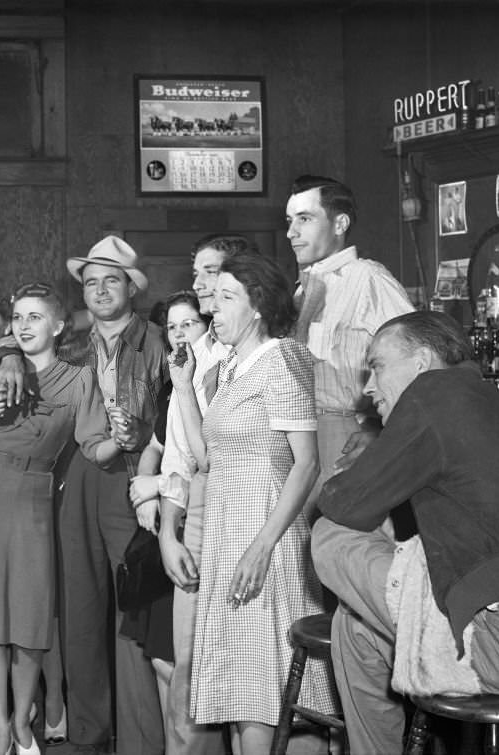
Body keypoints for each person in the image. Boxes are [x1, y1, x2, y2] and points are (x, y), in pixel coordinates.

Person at [311, 311, 499, 755]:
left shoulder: (431, 393)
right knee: (353, 626)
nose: (368, 387)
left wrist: (380, 448)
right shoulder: (488, 396)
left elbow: (341, 503)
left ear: (421, 362)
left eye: (377, 367)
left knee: (330, 535)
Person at [0, 282, 120, 755]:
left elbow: (93, 446)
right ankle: (0, 729)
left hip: (33, 500)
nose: (23, 325)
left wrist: (124, 439)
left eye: (34, 317)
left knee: (31, 625)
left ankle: (22, 721)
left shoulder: (79, 380)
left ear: (57, 326)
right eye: (18, 317)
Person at [170, 250, 332, 755]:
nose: (212, 308)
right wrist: (183, 388)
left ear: (258, 305)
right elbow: (207, 459)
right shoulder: (230, 368)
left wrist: (262, 546)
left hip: (267, 537)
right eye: (213, 298)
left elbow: (307, 464)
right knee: (241, 686)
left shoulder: (282, 358)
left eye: (226, 297)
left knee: (268, 682)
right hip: (227, 534)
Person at [59, 235, 167, 755]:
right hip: (79, 477)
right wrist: (9, 354)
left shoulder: (159, 342)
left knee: (133, 607)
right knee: (81, 607)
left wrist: (144, 442)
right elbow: (18, 340)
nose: (100, 291)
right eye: (91, 283)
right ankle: (89, 733)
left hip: (134, 475)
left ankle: (140, 741)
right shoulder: (70, 347)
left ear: (131, 288)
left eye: (111, 281)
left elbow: (177, 418)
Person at [156, 233, 253, 755]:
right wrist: (168, 535)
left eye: (209, 272)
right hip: (197, 512)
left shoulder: (261, 352)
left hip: (250, 511)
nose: (198, 283)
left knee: (249, 668)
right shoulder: (189, 356)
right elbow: (178, 458)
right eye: (195, 273)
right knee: (189, 665)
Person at [285, 175, 413, 504]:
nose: (291, 232)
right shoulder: (301, 290)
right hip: (299, 436)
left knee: (340, 528)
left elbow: (418, 359)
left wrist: (380, 431)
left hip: (343, 437)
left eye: (304, 219)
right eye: (289, 221)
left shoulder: (368, 279)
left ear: (340, 223)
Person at [126, 290, 211, 738]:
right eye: (172, 327)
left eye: (189, 324)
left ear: (208, 326)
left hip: (199, 522)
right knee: (161, 657)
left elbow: (204, 464)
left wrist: (156, 485)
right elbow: (157, 448)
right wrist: (144, 491)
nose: (179, 334)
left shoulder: (215, 378)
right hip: (168, 519)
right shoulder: (173, 385)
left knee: (180, 662)